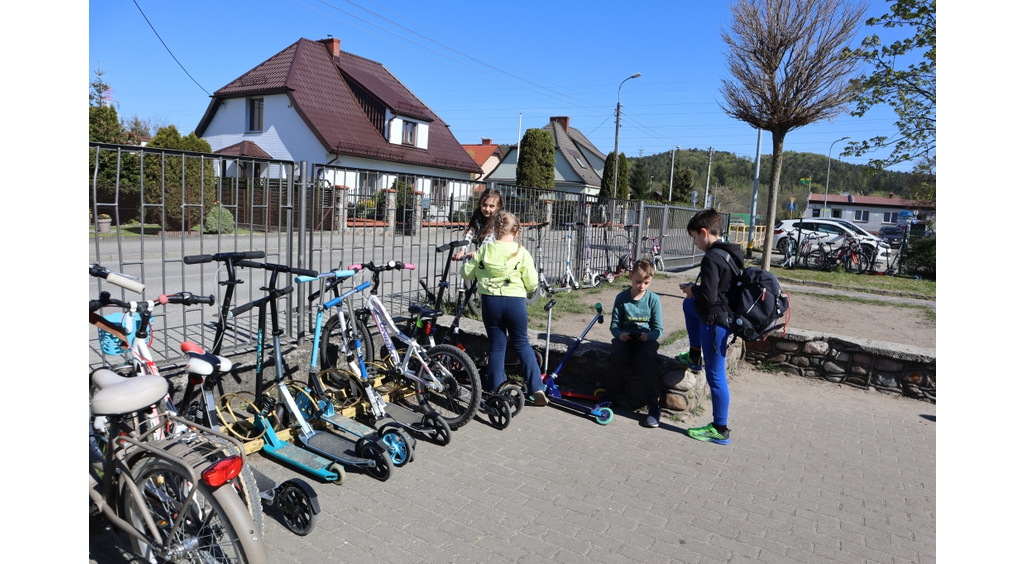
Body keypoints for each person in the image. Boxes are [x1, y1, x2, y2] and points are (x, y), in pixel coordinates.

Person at [459, 210, 546, 405]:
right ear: (516, 232)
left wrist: (468, 260)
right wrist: (525, 287)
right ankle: (536, 387)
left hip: (491, 302)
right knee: (522, 342)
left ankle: (495, 392)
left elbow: (466, 274)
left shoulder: (485, 249)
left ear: (495, 230)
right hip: (515, 301)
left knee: (497, 346)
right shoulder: (520, 252)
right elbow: (532, 283)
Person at [678, 208, 743, 445]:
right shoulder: (730, 253)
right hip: (723, 318)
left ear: (704, 233)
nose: (695, 242)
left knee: (716, 377)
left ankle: (720, 429)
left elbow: (707, 295)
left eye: (695, 237)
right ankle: (695, 355)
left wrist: (691, 290)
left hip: (715, 323)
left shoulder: (712, 258)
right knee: (688, 307)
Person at [606, 258, 664, 428]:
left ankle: (654, 406)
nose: (642, 286)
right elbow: (614, 326)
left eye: (646, 283)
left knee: (644, 359)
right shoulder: (622, 298)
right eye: (638, 282)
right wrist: (620, 334)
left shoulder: (653, 299)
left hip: (646, 339)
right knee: (617, 355)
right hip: (625, 337)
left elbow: (658, 329)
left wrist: (648, 336)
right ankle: (608, 396)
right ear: (630, 276)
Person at [452, 187, 504, 262]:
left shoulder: (499, 221)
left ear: (498, 206)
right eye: (484, 205)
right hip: (482, 259)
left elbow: (488, 240)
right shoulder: (479, 219)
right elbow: (469, 234)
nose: (487, 209)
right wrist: (462, 251)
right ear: (480, 204)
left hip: (496, 259)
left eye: (491, 206)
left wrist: (477, 253)